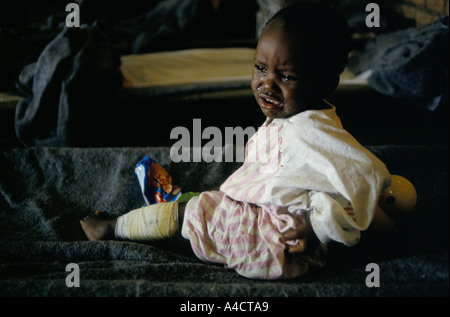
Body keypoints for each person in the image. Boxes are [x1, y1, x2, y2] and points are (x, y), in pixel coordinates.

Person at [80, 2, 392, 280]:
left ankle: (111, 228)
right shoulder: (299, 118)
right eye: (260, 68)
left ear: (326, 82)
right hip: (281, 234)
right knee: (206, 204)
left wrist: (318, 228)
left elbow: (366, 174)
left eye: (286, 76)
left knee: (191, 213)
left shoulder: (314, 131)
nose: (266, 84)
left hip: (276, 243)